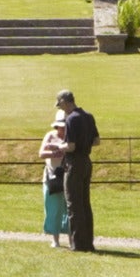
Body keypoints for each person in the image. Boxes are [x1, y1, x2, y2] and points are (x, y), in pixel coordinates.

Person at [56, 88, 99, 252]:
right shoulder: (88, 116)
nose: (60, 108)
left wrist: (60, 146)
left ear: (65, 102)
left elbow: (71, 146)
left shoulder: (71, 119)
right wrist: (85, 144)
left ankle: (78, 244)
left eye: (60, 104)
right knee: (85, 203)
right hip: (87, 162)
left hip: (74, 163)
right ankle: (88, 242)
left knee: (73, 204)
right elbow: (96, 141)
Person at [39, 111, 72, 247]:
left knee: (70, 208)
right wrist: (54, 152)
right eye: (60, 127)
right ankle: (55, 240)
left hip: (68, 175)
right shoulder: (50, 136)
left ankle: (72, 240)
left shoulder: (71, 137)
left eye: (64, 126)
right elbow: (41, 153)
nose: (62, 129)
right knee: (53, 208)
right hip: (52, 176)